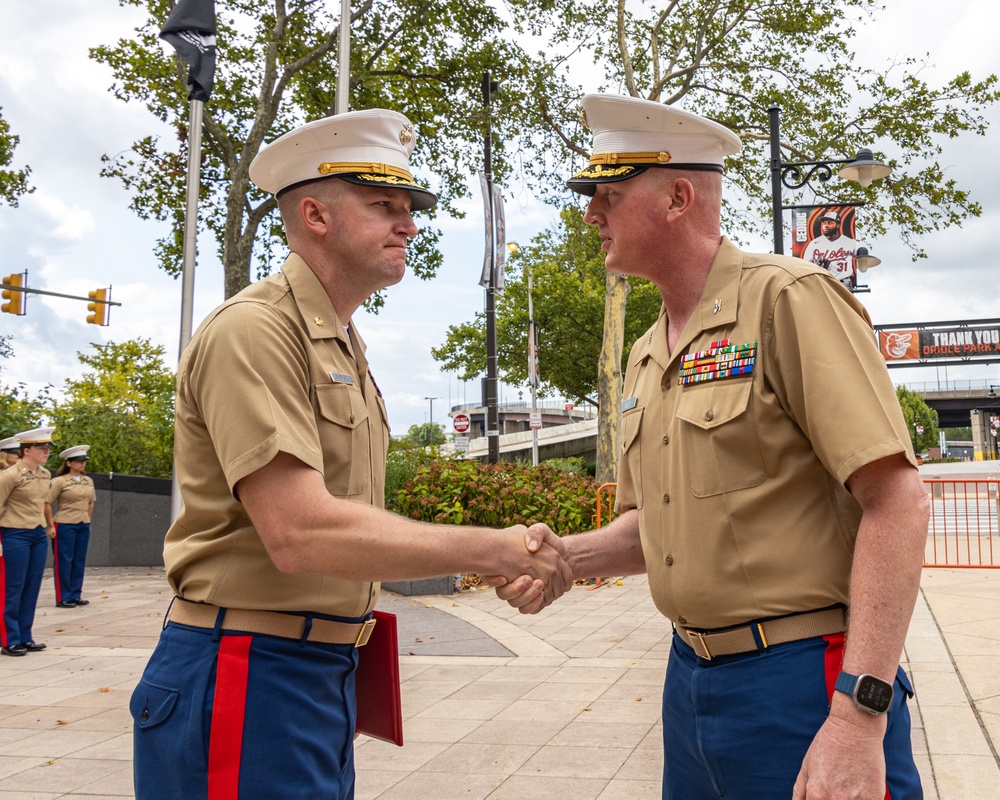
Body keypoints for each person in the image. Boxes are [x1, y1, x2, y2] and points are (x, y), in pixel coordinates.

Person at [492, 94, 928, 799]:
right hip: (689, 681)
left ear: (678, 197)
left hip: (801, 680)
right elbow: (654, 529)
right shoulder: (643, 352)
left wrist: (858, 713)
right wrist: (560, 560)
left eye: (606, 193)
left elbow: (898, 499)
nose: (589, 215)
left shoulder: (789, 299)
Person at [130, 108, 569, 800]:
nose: (410, 225)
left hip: (312, 670)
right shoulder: (256, 331)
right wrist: (495, 549)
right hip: (249, 668)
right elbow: (300, 532)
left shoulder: (337, 340)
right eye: (384, 206)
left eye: (409, 208)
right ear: (315, 215)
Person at [0, 427, 57, 656]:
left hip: (36, 534)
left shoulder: (45, 474)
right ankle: (9, 639)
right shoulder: (10, 475)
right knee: (12, 587)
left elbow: (43, 504)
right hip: (14, 533)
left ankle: (25, 635)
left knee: (32, 586)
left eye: (47, 448)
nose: (46, 452)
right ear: (26, 450)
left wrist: (48, 525)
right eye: (41, 448)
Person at [49, 445, 96, 608]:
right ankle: (63, 596)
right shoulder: (59, 481)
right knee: (64, 560)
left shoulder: (88, 481)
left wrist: (88, 520)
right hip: (64, 523)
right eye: (78, 461)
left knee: (79, 560)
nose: (82, 464)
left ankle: (75, 594)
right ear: (68, 463)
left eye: (84, 461)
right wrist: (50, 525)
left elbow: (91, 502)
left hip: (82, 524)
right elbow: (46, 503)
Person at [802, 210, 857, 289]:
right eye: (824, 223)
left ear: (838, 225)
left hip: (843, 283)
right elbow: (805, 265)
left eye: (829, 223)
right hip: (822, 283)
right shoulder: (815, 243)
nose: (825, 226)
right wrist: (816, 267)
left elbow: (862, 259)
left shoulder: (849, 242)